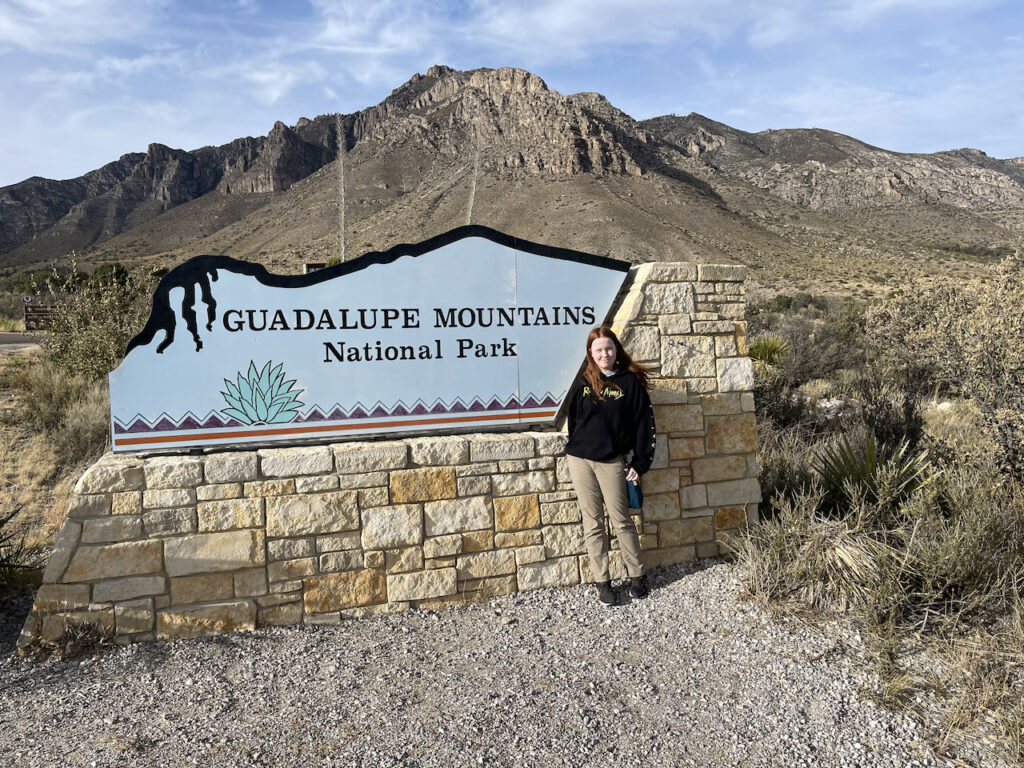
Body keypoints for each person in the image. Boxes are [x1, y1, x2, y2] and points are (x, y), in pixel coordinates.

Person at [565, 326, 656, 605]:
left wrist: (640, 463)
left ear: (616, 350)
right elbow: (574, 421)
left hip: (612, 462)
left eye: (608, 348)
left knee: (621, 521)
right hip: (580, 460)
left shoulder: (630, 383)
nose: (604, 354)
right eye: (598, 350)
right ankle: (602, 582)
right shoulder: (583, 383)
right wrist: (579, 446)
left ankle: (637, 576)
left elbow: (645, 425)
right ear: (590, 354)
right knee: (592, 523)